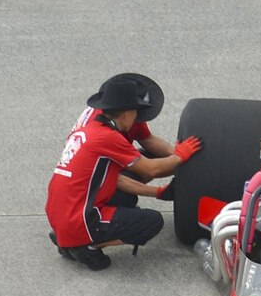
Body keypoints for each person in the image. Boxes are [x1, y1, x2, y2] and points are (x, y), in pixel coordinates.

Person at [47, 72, 200, 271]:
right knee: (150, 222)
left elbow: (143, 148)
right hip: (78, 216)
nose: (139, 119)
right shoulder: (107, 137)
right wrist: (181, 156)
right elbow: (149, 168)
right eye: (137, 113)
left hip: (62, 208)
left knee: (128, 200)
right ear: (127, 112)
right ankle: (83, 245)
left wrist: (174, 166)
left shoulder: (100, 122)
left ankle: (67, 236)